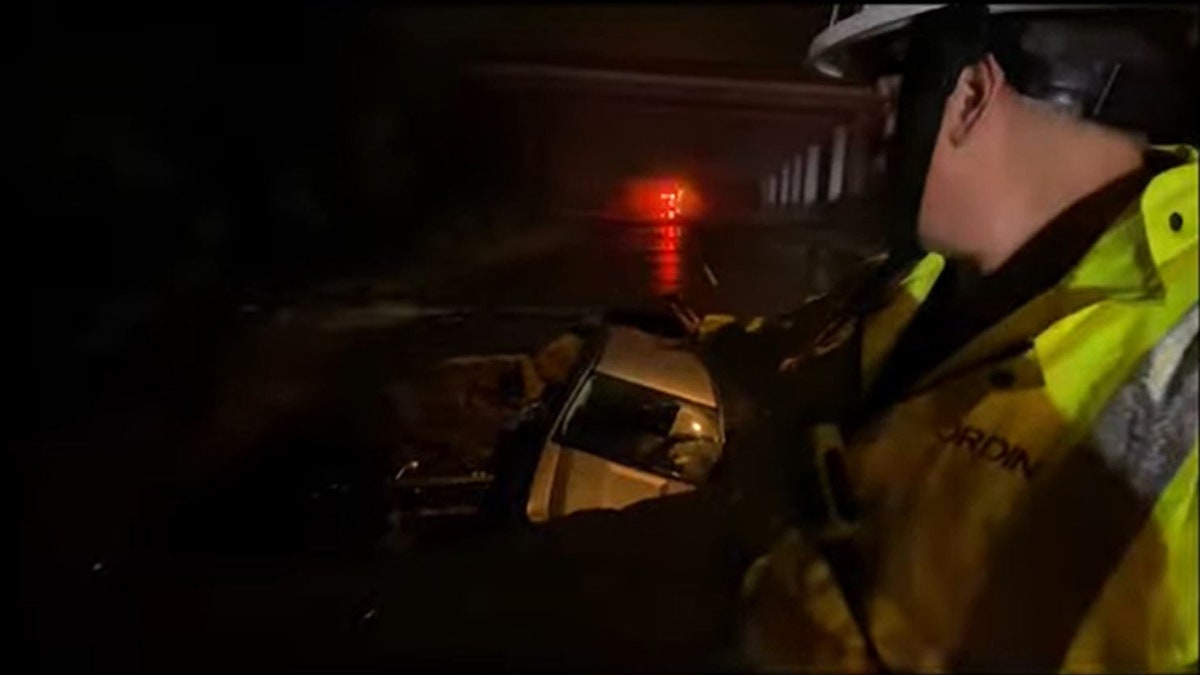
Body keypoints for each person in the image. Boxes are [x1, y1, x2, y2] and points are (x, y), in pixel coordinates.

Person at [709, 5, 1199, 672]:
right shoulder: (917, 285)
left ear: (967, 94)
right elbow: (768, 359)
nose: (871, 135)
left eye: (887, 95)